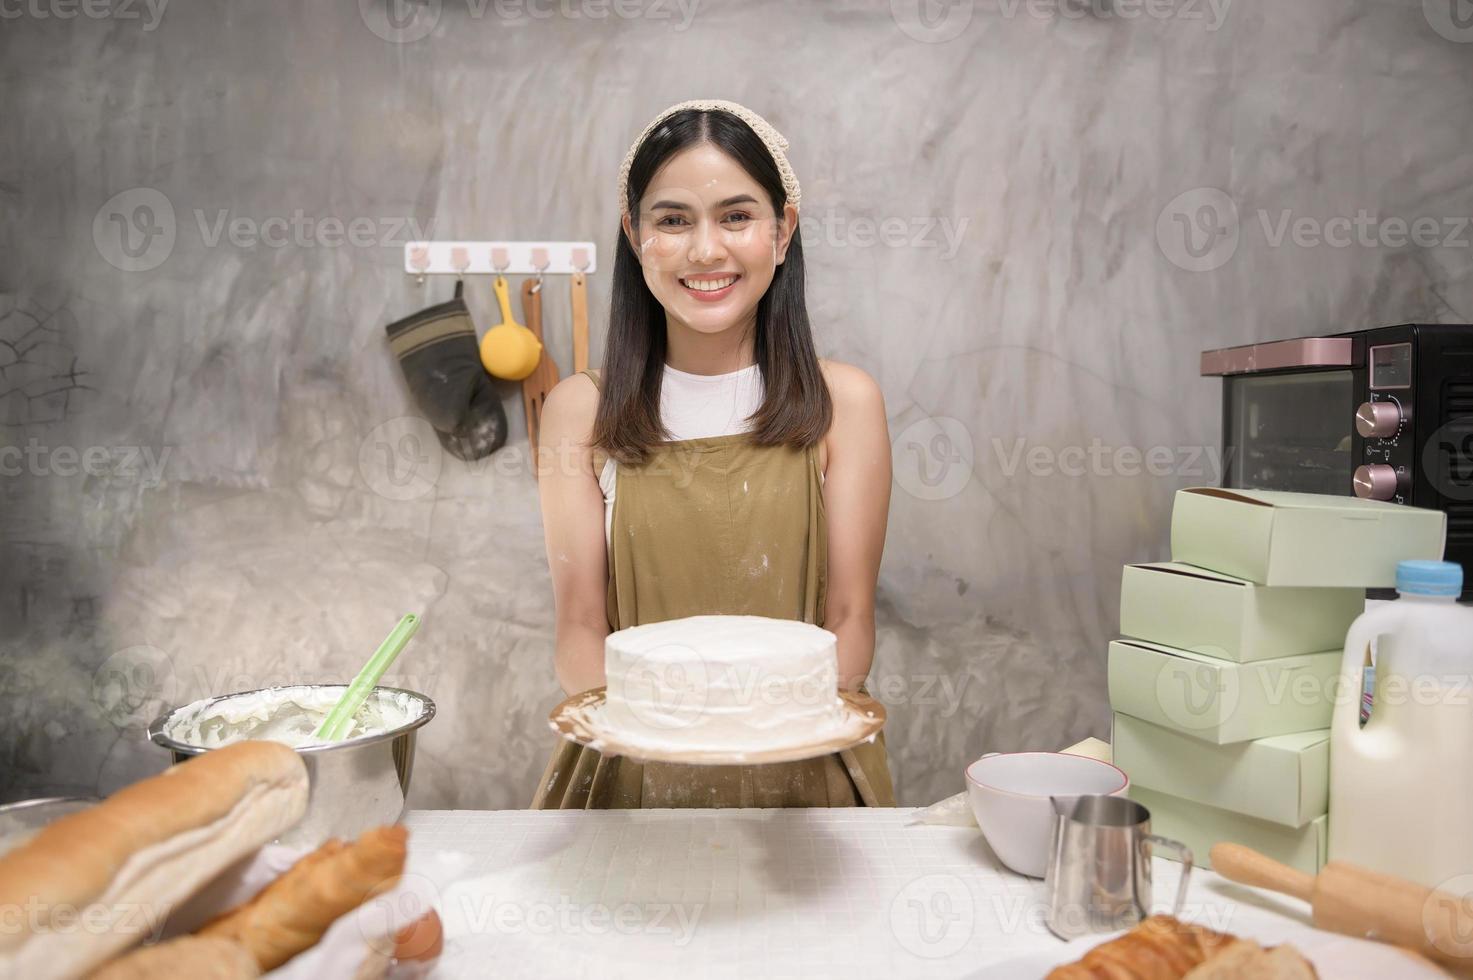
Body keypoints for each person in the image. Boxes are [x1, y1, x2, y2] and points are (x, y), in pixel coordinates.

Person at [531, 99, 895, 808]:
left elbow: (850, 620)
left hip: (804, 776)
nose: (706, 250)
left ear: (782, 231)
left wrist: (753, 739)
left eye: (735, 216)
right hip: (633, 775)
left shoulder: (844, 404)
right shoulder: (580, 412)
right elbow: (578, 628)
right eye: (673, 220)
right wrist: (671, 741)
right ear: (635, 238)